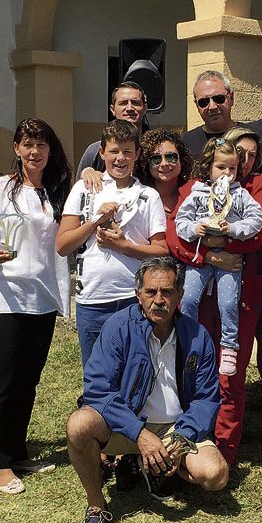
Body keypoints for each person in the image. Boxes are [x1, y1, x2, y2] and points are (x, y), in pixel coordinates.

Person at [65, 257, 228, 523]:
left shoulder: (197, 335)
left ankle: (154, 467)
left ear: (180, 294)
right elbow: (98, 389)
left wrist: (182, 438)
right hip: (127, 425)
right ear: (138, 294)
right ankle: (96, 505)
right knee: (79, 424)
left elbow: (206, 398)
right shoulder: (118, 326)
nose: (159, 300)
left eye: (167, 292)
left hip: (173, 429)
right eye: (151, 292)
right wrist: (139, 434)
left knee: (216, 475)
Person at [166, 126, 262, 463]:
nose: (242, 162)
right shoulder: (195, 189)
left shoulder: (258, 187)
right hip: (200, 287)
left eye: (249, 156)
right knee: (193, 364)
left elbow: (260, 231)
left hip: (240, 291)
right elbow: (176, 237)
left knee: (229, 372)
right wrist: (208, 253)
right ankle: (191, 438)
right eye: (236, 155)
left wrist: (224, 240)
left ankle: (225, 448)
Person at [0, 118, 73, 495]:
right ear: (16, 148)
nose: (34, 152)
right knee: (7, 379)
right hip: (4, 299)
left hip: (41, 299)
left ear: (50, 149)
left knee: (28, 381)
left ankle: (18, 451)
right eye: (27, 144)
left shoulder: (58, 191)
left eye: (41, 145)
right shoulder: (1, 189)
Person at [57, 120, 168, 367]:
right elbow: (63, 245)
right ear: (101, 153)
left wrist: (123, 246)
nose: (120, 158)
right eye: (114, 151)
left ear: (137, 154)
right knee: (96, 373)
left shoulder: (149, 196)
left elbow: (162, 250)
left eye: (127, 151)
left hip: (135, 298)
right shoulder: (83, 189)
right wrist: (96, 220)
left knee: (133, 372)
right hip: (92, 299)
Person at [174, 136, 262, 376]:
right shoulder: (196, 193)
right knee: (189, 299)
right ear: (208, 166)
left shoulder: (241, 194)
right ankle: (188, 339)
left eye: (232, 168)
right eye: (221, 167)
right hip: (200, 258)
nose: (227, 173)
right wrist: (194, 230)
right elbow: (180, 221)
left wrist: (234, 230)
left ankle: (229, 348)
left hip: (230, 262)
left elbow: (257, 220)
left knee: (227, 304)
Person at [76, 81, 149, 180]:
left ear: (145, 109)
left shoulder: (154, 149)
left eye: (135, 103)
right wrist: (87, 172)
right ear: (112, 109)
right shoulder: (94, 152)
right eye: (123, 103)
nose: (129, 108)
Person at [134, 128, 193, 216]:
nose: (164, 164)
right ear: (146, 164)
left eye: (171, 157)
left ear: (182, 160)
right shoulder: (137, 199)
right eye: (155, 159)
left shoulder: (194, 194)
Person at [182, 70, 240, 158]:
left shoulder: (252, 138)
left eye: (218, 98)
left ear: (231, 98)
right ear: (197, 105)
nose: (212, 106)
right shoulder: (185, 143)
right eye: (204, 102)